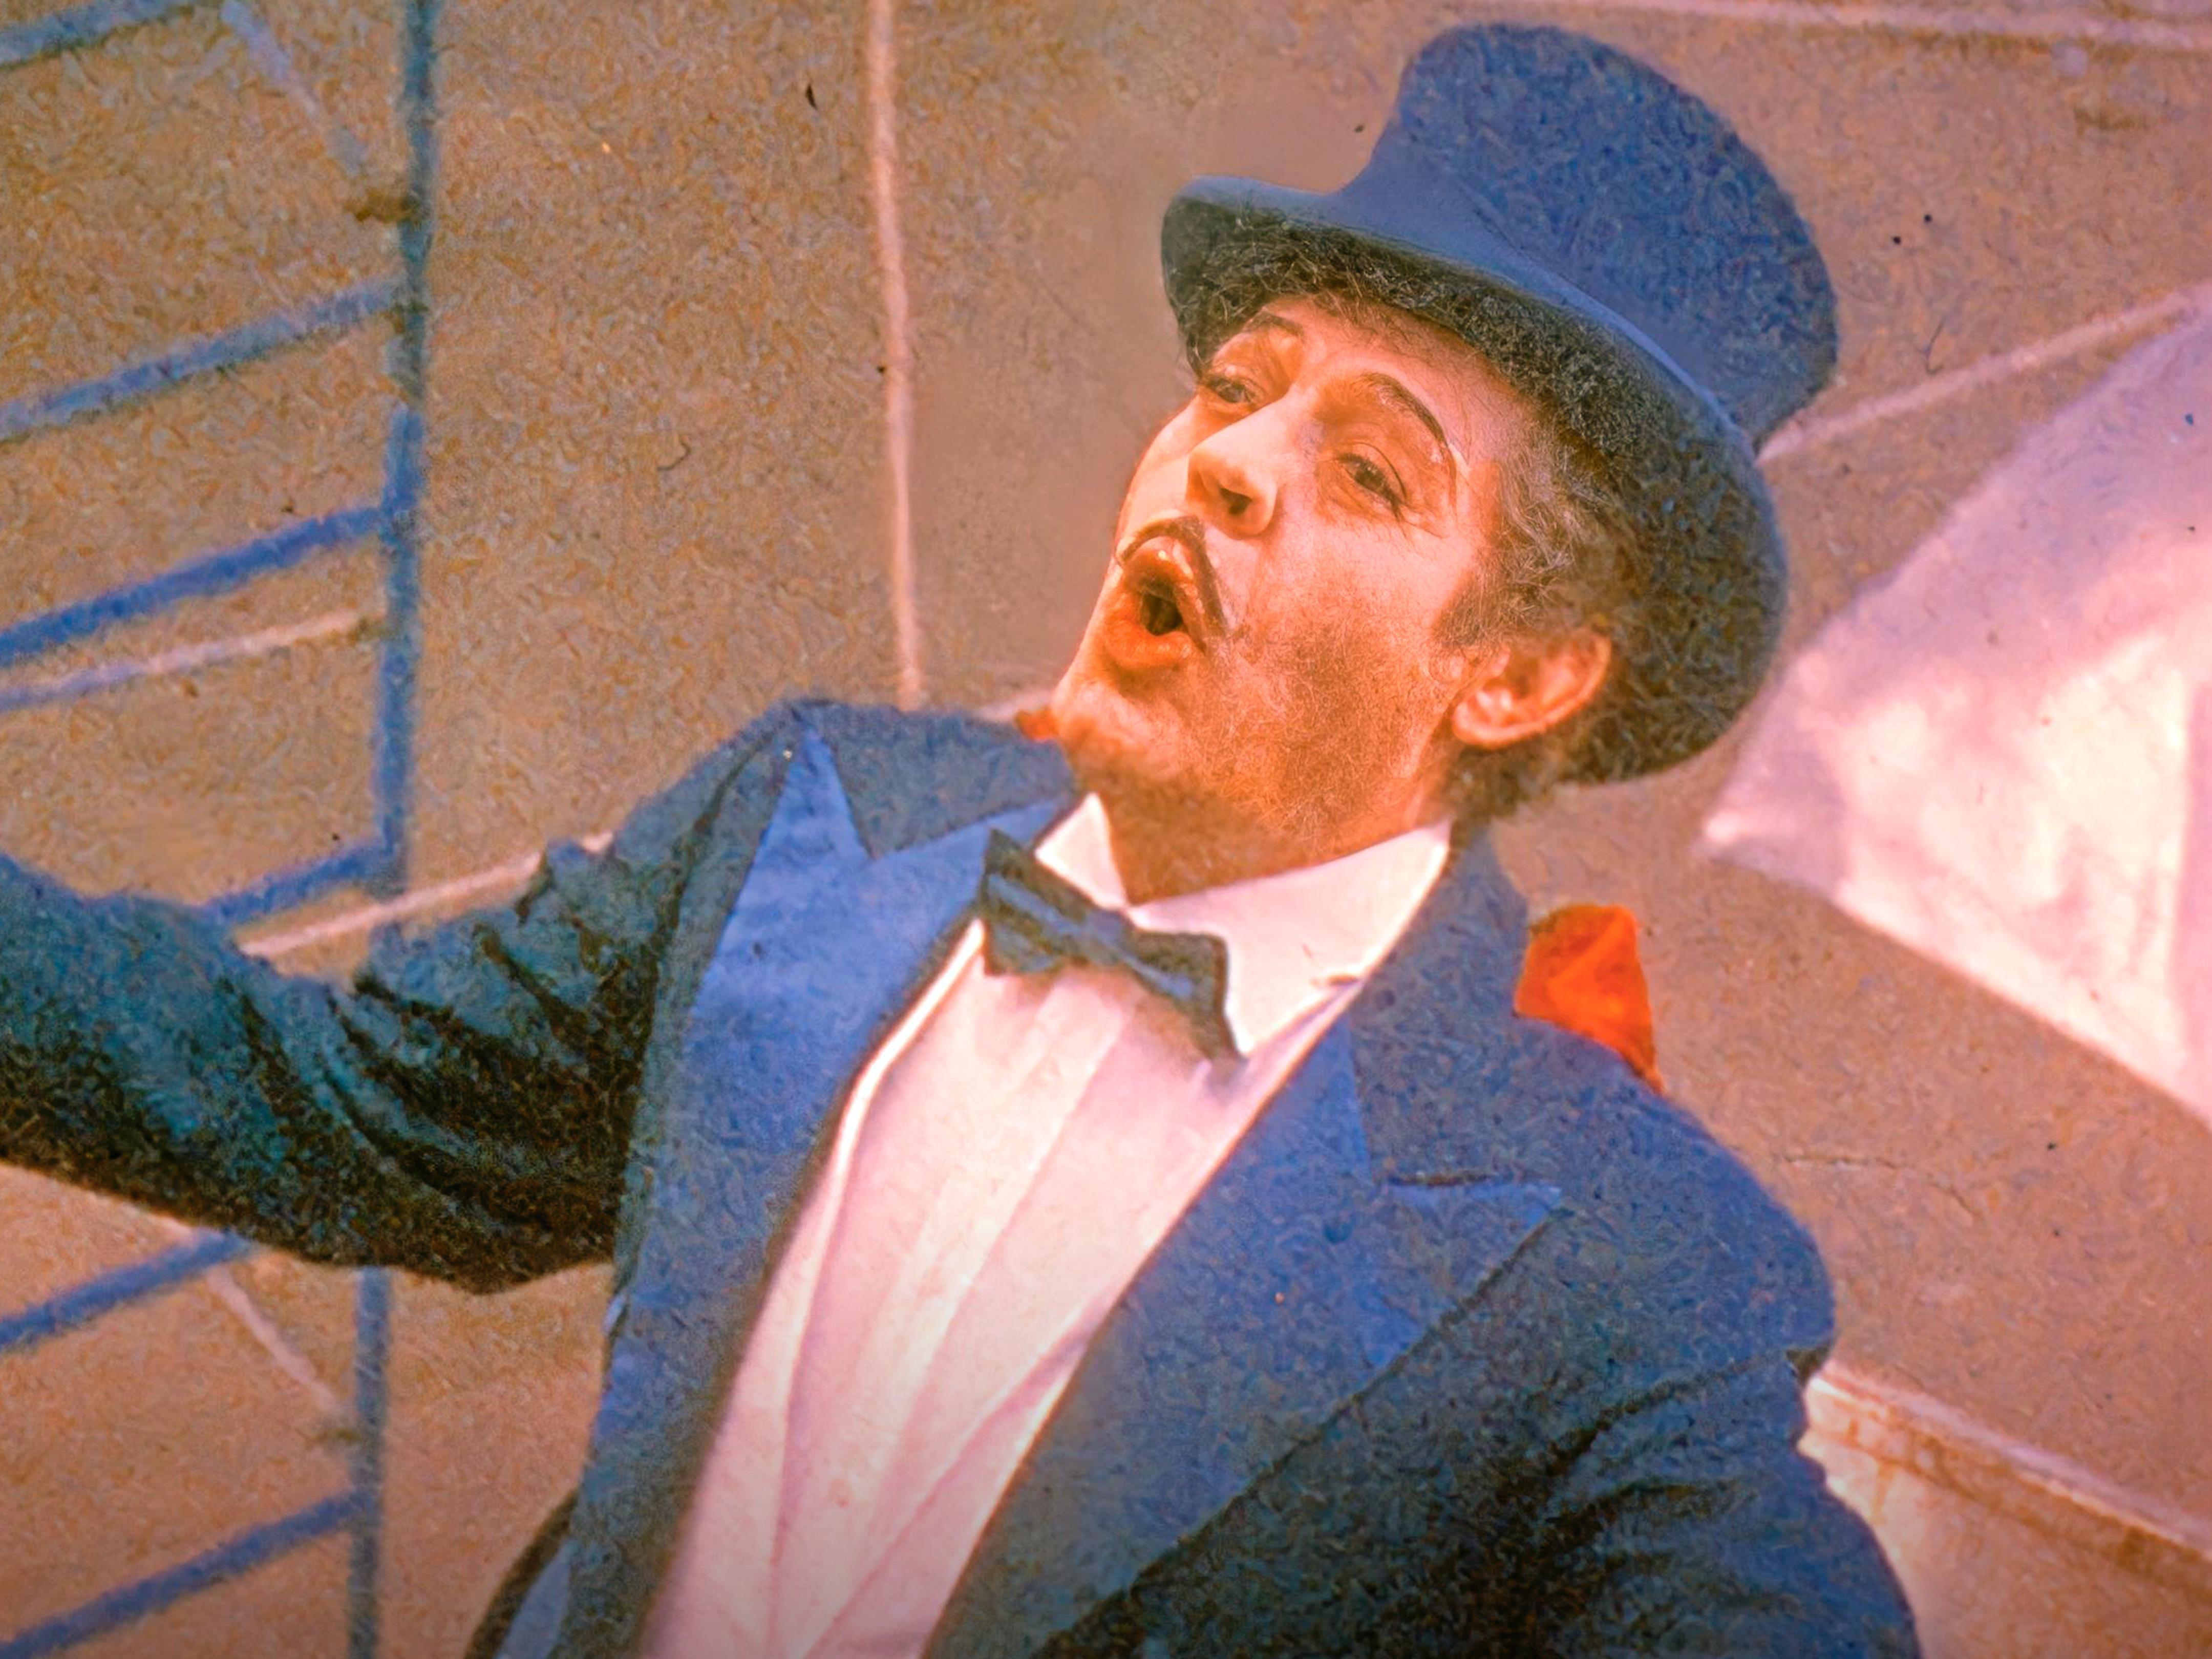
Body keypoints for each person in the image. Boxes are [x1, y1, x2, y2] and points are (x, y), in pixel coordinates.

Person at [0, 24, 1918, 1659]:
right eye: (1237, 387)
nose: (1227, 463)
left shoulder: (1630, 1266)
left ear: (1516, 675)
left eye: (1366, 471)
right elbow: (338, 1110)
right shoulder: (811, 820)